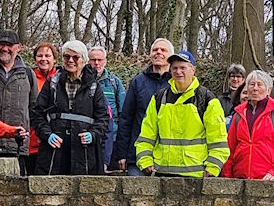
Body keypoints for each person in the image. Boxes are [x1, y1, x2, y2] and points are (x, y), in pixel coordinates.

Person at [135, 50, 229, 177]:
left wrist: (212, 167)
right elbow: (147, 134)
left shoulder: (207, 100)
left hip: (196, 175)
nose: (178, 72)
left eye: (183, 68)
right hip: (162, 172)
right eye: (175, 68)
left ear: (193, 70)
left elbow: (218, 139)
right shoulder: (159, 98)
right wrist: (145, 161)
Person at [31, 40, 109, 175]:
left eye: (75, 57)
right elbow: (37, 114)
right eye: (67, 57)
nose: (70, 61)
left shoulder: (94, 87)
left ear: (84, 60)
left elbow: (103, 117)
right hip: (53, 155)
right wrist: (47, 134)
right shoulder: (52, 84)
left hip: (84, 155)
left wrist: (93, 134)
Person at [112, 38, 173, 175]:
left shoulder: (176, 83)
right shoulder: (138, 82)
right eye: (155, 50)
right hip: (137, 155)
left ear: (170, 56)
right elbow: (126, 118)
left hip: (167, 158)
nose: (159, 52)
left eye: (163, 50)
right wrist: (122, 154)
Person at [0, 30, 37, 173]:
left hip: (17, 145)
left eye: (9, 45)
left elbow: (34, 108)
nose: (5, 49)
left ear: (18, 47)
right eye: (1, 44)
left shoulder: (28, 74)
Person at [222, 70, 274, 180]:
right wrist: (227, 175)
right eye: (252, 84)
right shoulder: (238, 115)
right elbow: (230, 148)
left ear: (268, 90)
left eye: (259, 85)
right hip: (239, 177)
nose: (255, 88)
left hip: (268, 179)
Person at [89, 46, 126, 170]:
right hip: (90, 138)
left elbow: (123, 113)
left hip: (113, 139)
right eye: (93, 60)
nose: (97, 63)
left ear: (105, 61)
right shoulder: (84, 81)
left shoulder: (114, 82)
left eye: (100, 59)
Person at [27, 41, 60, 173]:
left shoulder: (60, 79)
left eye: (48, 56)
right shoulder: (28, 77)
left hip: (54, 139)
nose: (44, 59)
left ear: (55, 59)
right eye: (40, 56)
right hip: (32, 140)